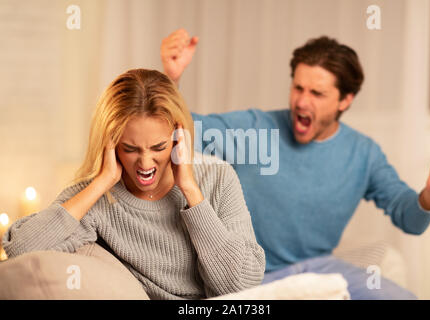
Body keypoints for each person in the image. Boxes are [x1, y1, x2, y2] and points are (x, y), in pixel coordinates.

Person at [160, 29, 430, 299]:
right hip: (256, 277)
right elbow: (185, 130)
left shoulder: (364, 154)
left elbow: (409, 218)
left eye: (317, 93)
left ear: (345, 100)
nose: (301, 101)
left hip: (321, 269)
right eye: (298, 88)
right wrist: (171, 81)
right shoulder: (256, 129)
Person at [2, 69, 265, 300]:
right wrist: (101, 183)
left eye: (158, 147)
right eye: (130, 149)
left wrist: (191, 191)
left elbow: (243, 287)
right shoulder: (99, 198)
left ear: (178, 139)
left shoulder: (217, 178)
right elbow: (20, 252)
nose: (145, 163)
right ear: (111, 144)